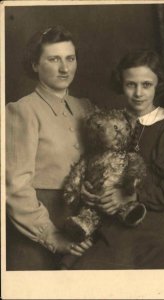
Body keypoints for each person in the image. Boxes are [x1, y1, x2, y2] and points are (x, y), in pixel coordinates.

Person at [71, 50, 164, 269]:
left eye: (146, 85)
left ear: (158, 84)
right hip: (113, 225)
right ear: (121, 84)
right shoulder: (109, 123)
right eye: (131, 85)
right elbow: (97, 165)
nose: (138, 93)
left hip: (161, 227)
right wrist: (88, 189)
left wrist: (132, 196)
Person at [6, 25, 94, 270]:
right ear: (35, 65)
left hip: (84, 227)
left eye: (70, 58)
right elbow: (15, 186)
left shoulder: (86, 107)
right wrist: (51, 236)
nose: (65, 68)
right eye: (54, 59)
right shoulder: (22, 110)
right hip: (38, 228)